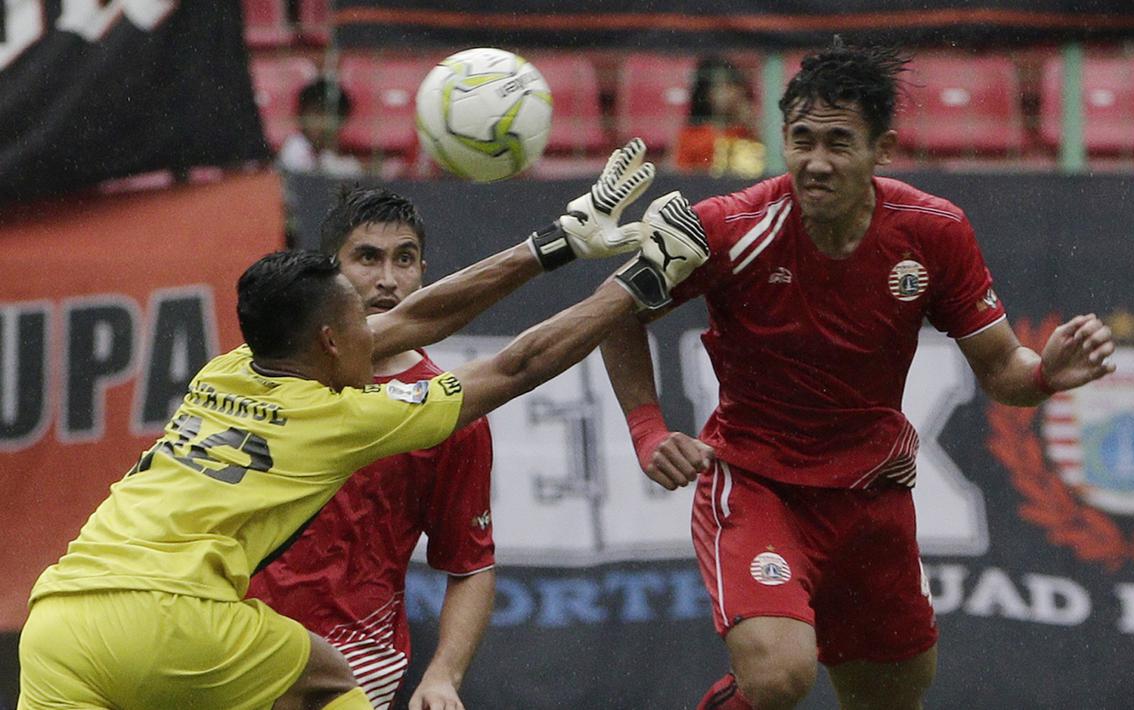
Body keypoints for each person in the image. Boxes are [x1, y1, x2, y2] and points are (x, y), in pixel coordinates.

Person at [18, 139, 710, 709]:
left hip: (59, 617)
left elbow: (415, 319)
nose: (381, 318)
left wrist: (552, 244)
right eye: (359, 319)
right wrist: (641, 280)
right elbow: (516, 365)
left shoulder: (225, 371)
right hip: (181, 621)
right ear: (329, 339)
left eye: (402, 263)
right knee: (329, 682)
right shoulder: (346, 416)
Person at [600, 46, 1117, 710]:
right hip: (756, 485)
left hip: (872, 500)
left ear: (883, 150)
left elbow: (1000, 369)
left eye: (839, 142)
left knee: (890, 699)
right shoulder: (730, 228)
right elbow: (615, 312)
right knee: (779, 676)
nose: (816, 161)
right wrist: (647, 430)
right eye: (802, 140)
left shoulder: (933, 232)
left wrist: (1044, 373)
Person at [245, 186, 496, 710]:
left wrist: (443, 676)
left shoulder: (450, 413)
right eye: (367, 257)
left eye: (404, 259)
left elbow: (470, 565)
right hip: (240, 640)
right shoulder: (269, 377)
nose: (388, 279)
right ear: (329, 272)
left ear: (423, 271)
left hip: (356, 661)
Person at [673, 57, 765, 178]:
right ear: (706, 93)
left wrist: (752, 124)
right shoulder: (693, 135)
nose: (731, 93)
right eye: (721, 87)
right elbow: (680, 174)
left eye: (733, 86)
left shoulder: (751, 131)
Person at [279, 77, 365, 177]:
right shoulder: (293, 149)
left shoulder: (349, 166)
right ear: (301, 115)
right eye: (317, 113)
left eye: (331, 115)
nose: (324, 123)